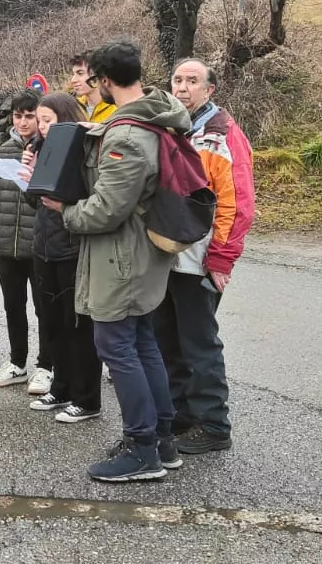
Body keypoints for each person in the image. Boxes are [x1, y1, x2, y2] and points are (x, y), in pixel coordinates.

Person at [59, 42, 190, 483]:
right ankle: (162, 439)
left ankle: (141, 449)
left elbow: (106, 209)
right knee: (141, 342)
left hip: (122, 254)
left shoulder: (128, 134)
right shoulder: (156, 115)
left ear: (105, 81)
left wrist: (65, 212)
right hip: (140, 251)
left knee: (116, 346)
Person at [156, 58, 255, 456]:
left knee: (199, 343)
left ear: (209, 90)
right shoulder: (172, 131)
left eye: (192, 81)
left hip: (199, 259)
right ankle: (182, 416)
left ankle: (214, 424)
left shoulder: (222, 137)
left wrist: (221, 259)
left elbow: (239, 203)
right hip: (168, 256)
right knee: (169, 341)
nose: (182, 87)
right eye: (177, 79)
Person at [22, 93, 101, 424]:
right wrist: (28, 179)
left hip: (71, 248)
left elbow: (85, 199)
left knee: (77, 326)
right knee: (52, 322)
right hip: (44, 248)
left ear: (66, 119)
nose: (41, 126)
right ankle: (62, 386)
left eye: (48, 120)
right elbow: (35, 205)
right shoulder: (40, 150)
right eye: (40, 120)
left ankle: (88, 398)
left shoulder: (82, 153)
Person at [0, 89, 44, 389]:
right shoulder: (4, 150)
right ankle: (18, 362)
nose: (23, 122)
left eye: (29, 116)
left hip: (39, 245)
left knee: (44, 309)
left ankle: (47, 365)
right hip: (8, 245)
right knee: (13, 306)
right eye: (18, 116)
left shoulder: (49, 149)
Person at [68, 53, 116, 124]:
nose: (73, 80)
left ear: (98, 75)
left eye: (80, 73)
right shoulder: (73, 107)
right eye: (74, 74)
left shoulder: (116, 109)